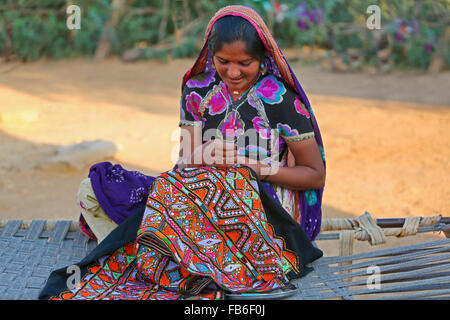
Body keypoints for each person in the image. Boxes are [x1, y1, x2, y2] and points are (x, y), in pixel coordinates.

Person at [39, 5, 325, 300]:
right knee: (96, 189)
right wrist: (200, 156)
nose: (233, 72)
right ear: (210, 55)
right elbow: (185, 164)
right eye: (223, 61)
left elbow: (313, 175)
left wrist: (249, 166)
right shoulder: (197, 90)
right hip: (198, 191)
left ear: (263, 57)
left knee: (218, 187)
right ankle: (183, 255)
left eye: (246, 63)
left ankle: (180, 256)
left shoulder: (281, 99)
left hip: (264, 203)